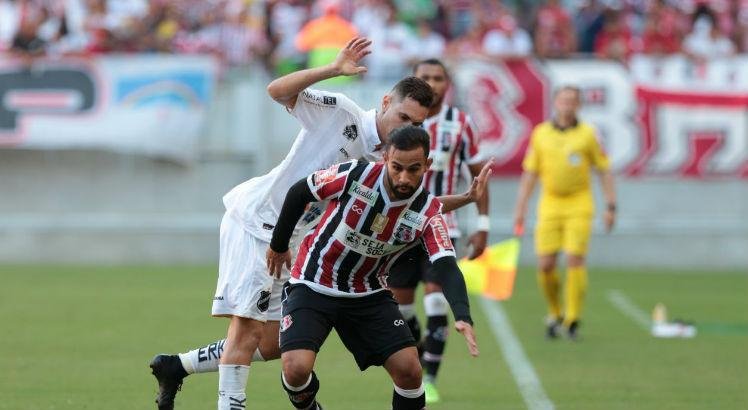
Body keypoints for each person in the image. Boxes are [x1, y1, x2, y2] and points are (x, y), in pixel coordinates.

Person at [148, 37, 489, 410]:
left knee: (276, 342)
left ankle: (176, 366)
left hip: (295, 240)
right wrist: (331, 70)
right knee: (246, 330)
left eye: (416, 123)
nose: (404, 127)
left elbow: (418, 204)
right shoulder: (342, 113)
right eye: (403, 117)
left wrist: (467, 199)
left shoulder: (387, 161)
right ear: (386, 102)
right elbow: (275, 90)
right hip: (258, 222)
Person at [267, 125, 481, 410]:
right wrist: (279, 244)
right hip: (313, 281)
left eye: (414, 169)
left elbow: (446, 265)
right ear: (384, 159)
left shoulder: (428, 213)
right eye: (397, 168)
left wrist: (463, 314)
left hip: (367, 293)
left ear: (427, 165)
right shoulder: (354, 174)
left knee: (410, 369)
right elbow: (299, 191)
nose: (404, 177)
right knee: (296, 369)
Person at [387, 58, 488, 404]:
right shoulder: (398, 123)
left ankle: (429, 377)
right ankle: (419, 355)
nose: (432, 83)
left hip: (443, 224)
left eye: (438, 78)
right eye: (425, 78)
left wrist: (483, 225)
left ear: (448, 84)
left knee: (434, 301)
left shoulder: (461, 124)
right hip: (398, 230)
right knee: (402, 312)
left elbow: (478, 177)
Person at [513, 85, 616, 341]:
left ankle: (572, 319)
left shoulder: (589, 134)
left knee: (574, 260)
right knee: (546, 264)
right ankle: (555, 311)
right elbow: (531, 173)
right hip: (550, 203)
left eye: (572, 101)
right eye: (563, 100)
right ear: (555, 103)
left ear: (579, 105)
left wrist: (611, 206)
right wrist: (521, 207)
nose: (567, 105)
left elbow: (603, 170)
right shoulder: (541, 134)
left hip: (579, 203)